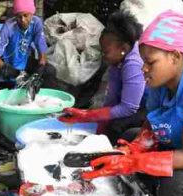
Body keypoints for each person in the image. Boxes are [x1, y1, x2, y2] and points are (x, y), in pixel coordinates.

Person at [80, 10, 183, 196]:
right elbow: (150, 125)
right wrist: (130, 150)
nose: (144, 68)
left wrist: (134, 162)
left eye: (150, 62)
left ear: (174, 56)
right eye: (143, 62)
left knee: (174, 184)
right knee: (129, 136)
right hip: (180, 146)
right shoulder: (161, 82)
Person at [58, 11, 147, 145]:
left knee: (117, 125)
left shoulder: (133, 64)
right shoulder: (117, 63)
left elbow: (129, 108)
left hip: (149, 110)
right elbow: (111, 101)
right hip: (134, 107)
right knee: (107, 121)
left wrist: (87, 116)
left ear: (123, 48)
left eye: (106, 52)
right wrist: (97, 134)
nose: (103, 56)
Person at [0, 0, 58, 128]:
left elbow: (42, 50)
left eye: (26, 15)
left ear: (32, 14)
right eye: (19, 16)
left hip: (24, 60)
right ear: (15, 16)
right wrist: (9, 70)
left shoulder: (37, 23)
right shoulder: (9, 26)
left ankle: (48, 110)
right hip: (6, 62)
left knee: (50, 71)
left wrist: (40, 68)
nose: (22, 20)